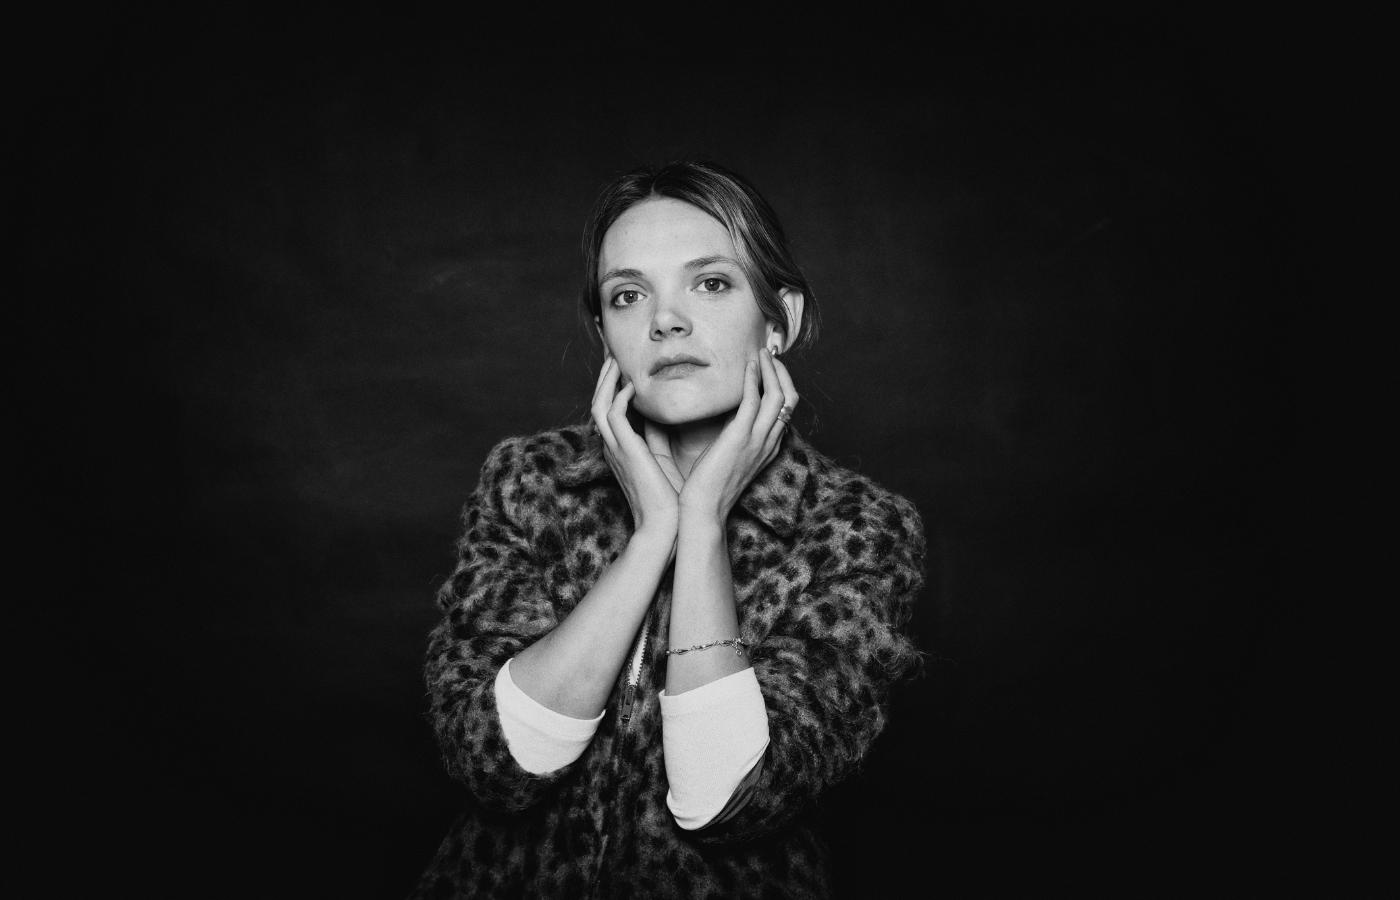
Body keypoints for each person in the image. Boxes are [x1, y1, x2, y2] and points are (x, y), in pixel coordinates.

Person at [410, 160, 926, 898]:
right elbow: (495, 765)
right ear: (605, 334)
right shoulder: (530, 482)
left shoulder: (857, 527)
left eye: (710, 283)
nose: (665, 320)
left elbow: (727, 802)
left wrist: (702, 522)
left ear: (780, 320)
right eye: (628, 295)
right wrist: (653, 533)